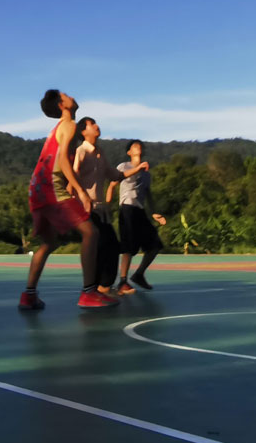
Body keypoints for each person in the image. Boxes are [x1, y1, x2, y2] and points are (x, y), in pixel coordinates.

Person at [21, 89, 115, 310]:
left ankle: (28, 295)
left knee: (49, 243)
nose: (72, 97)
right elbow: (63, 160)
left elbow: (58, 161)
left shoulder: (58, 128)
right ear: (62, 105)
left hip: (36, 189)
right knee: (91, 232)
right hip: (51, 188)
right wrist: (81, 192)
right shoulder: (69, 125)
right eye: (66, 96)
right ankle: (89, 293)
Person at [72, 117, 123, 298]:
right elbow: (72, 176)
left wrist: (137, 169)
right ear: (83, 132)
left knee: (112, 246)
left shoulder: (100, 153)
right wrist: (74, 201)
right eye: (91, 124)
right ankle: (93, 288)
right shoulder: (81, 152)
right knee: (99, 246)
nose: (96, 126)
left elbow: (114, 174)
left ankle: (103, 287)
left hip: (101, 209)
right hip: (87, 208)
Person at [116, 140, 165, 292]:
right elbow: (114, 181)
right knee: (128, 246)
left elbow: (148, 194)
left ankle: (139, 274)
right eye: (134, 146)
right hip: (127, 208)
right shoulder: (123, 166)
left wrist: (154, 212)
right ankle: (122, 282)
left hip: (140, 210)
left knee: (155, 245)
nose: (138, 147)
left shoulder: (147, 174)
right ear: (129, 152)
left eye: (140, 145)